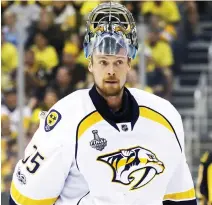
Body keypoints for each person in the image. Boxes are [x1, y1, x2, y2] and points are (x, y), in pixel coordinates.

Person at [10, 2, 197, 205]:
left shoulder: (165, 116)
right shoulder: (66, 119)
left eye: (118, 62)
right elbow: (25, 199)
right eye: (103, 62)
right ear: (90, 64)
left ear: (129, 64)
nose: (111, 71)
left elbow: (181, 198)